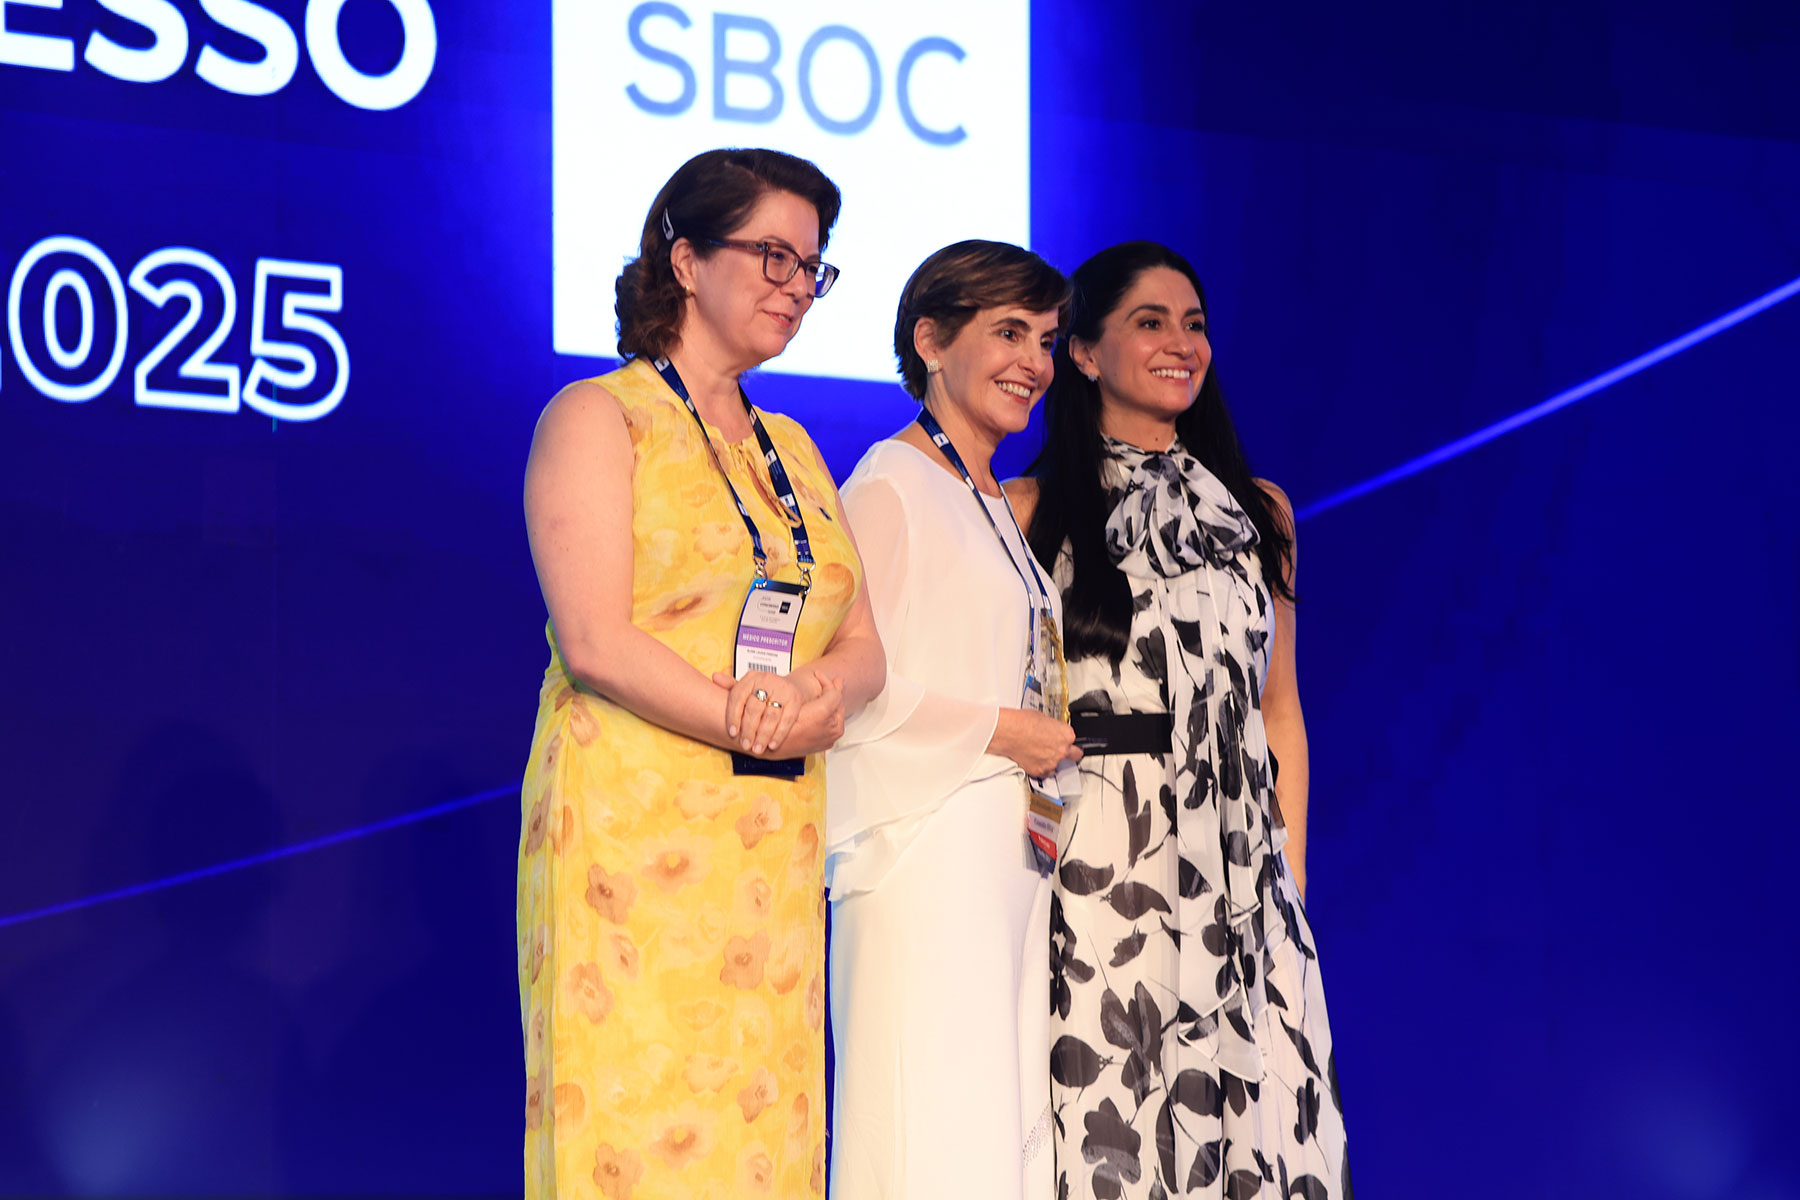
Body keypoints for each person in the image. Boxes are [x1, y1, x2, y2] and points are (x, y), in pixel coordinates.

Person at [517, 148, 885, 1200]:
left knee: (762, 1131)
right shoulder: (598, 415)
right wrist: (752, 717)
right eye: (773, 255)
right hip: (631, 838)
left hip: (769, 843)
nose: (796, 285)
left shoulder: (796, 447)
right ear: (684, 260)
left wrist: (816, 696)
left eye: (812, 266)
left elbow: (863, 644)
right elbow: (594, 640)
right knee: (631, 1130)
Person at [1011, 242, 1349, 1198]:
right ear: (1083, 352)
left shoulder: (1260, 513)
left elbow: (1279, 708)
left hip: (1245, 864)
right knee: (1119, 1115)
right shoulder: (1030, 509)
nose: (1181, 344)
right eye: (1150, 322)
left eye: (1194, 324)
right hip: (1105, 857)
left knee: (1262, 1124)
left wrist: (1289, 872)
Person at [826, 240, 1078, 1200]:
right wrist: (1005, 731)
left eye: (1046, 341)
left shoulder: (990, 500)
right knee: (928, 1137)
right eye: (1008, 333)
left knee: (987, 1142)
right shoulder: (890, 484)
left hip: (1000, 859)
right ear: (931, 341)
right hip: (920, 854)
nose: (1034, 363)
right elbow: (855, 691)